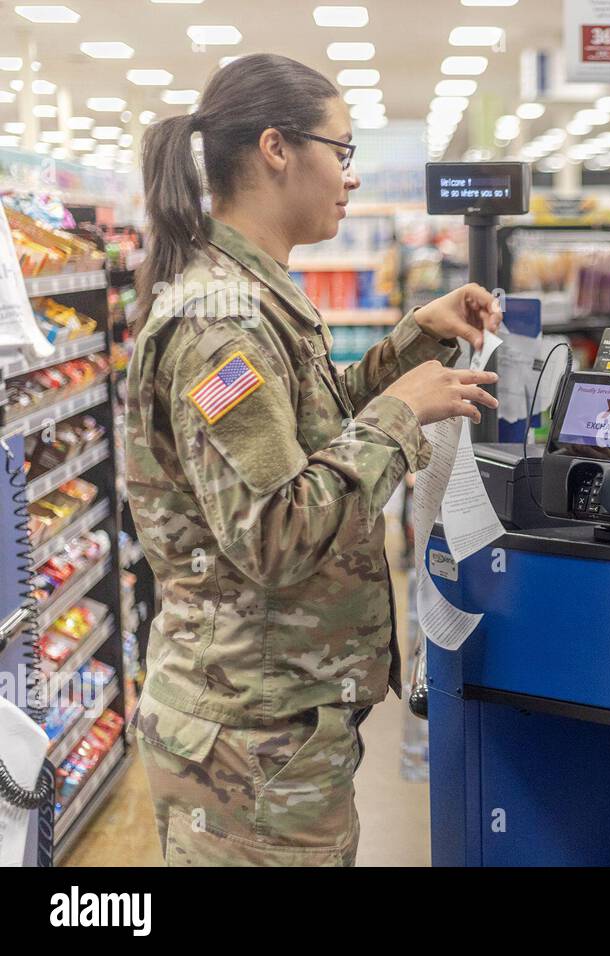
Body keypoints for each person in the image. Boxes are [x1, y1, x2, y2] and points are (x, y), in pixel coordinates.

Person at [125, 53, 501, 865]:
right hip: (246, 745)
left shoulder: (254, 295)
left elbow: (313, 422)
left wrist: (414, 341)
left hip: (274, 726)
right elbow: (275, 529)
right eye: (343, 150)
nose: (351, 177)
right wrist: (403, 416)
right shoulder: (219, 323)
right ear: (276, 149)